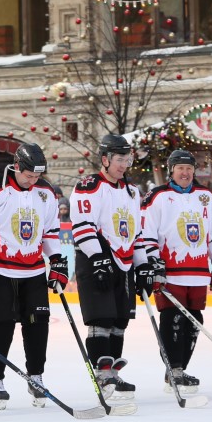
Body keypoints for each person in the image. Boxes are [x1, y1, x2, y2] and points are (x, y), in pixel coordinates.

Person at [0, 142, 64, 409]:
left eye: (37, 177)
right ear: (17, 166)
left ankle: (36, 377)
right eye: (29, 175)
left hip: (33, 270)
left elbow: (51, 231)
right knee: (1, 324)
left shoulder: (45, 192)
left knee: (38, 323)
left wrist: (56, 259)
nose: (33, 181)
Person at [137, 150, 212, 395]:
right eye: (180, 168)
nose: (185, 173)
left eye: (189, 168)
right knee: (173, 319)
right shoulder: (158, 196)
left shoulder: (205, 196)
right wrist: (153, 262)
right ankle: (174, 369)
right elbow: (147, 234)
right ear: (171, 170)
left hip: (197, 270)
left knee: (194, 321)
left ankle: (179, 370)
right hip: (170, 270)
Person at [69, 134, 145, 402]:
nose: (124, 164)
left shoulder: (131, 191)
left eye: (128, 159)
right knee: (100, 319)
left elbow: (136, 233)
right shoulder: (89, 185)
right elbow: (82, 225)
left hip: (122, 262)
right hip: (95, 260)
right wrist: (98, 257)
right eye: (119, 159)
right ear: (105, 159)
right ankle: (102, 373)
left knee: (119, 320)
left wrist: (143, 265)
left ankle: (112, 370)